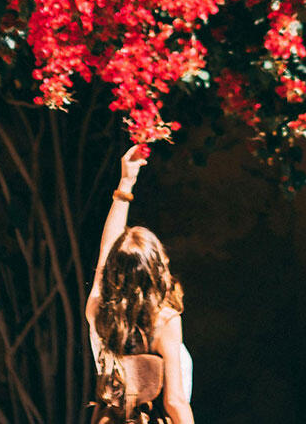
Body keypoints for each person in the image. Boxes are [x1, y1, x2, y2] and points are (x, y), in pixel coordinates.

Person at [86, 145, 195, 424]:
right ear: (156, 269)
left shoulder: (98, 311)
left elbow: (104, 256)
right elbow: (174, 401)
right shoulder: (164, 321)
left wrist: (125, 184)